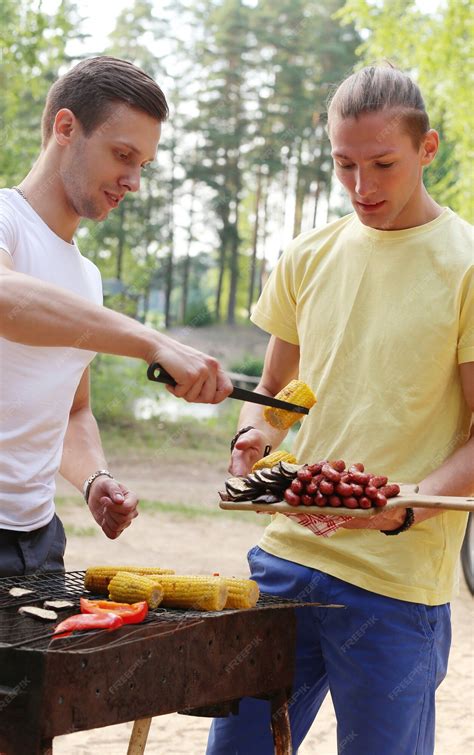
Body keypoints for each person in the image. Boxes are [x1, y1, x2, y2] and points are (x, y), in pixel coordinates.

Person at [207, 65, 473, 754]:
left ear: (428, 148)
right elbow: (274, 401)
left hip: (396, 581)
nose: (362, 186)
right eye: (343, 164)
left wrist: (411, 503)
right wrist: (253, 437)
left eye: (383, 163)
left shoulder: (466, 263)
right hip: (284, 562)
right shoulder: (307, 255)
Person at [0, 56, 232, 578]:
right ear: (66, 128)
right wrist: (152, 341)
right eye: (122, 155)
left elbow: (72, 411)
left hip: (37, 544)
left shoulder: (87, 279)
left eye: (143, 165)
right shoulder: (5, 224)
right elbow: (6, 300)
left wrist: (93, 479)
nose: (134, 182)